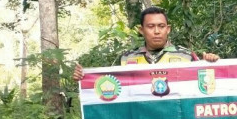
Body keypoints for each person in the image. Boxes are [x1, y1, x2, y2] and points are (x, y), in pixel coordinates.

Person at [73, 6, 218, 80]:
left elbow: (206, 85)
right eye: (150, 26)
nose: (156, 31)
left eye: (161, 26)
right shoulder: (127, 58)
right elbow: (111, 87)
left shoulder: (186, 56)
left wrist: (210, 64)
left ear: (168, 29)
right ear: (141, 30)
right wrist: (84, 77)